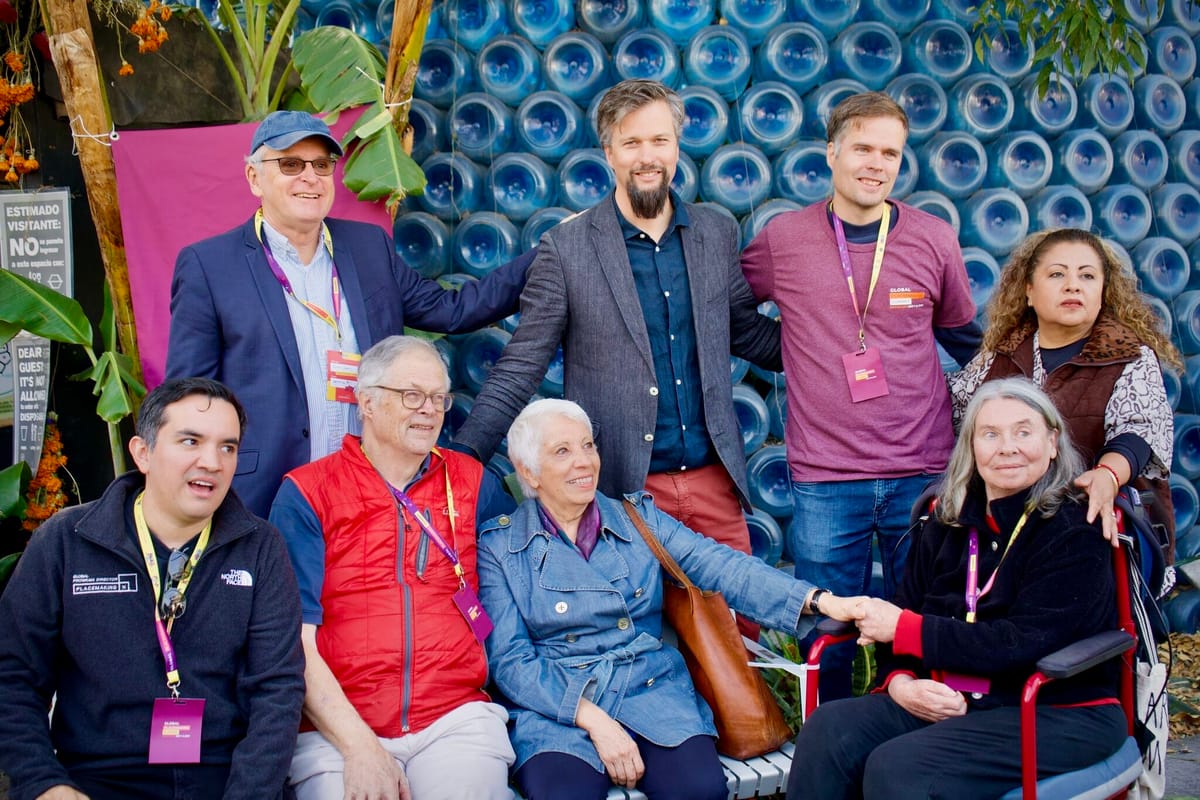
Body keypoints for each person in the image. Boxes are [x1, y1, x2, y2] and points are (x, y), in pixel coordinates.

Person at [454, 81, 783, 631]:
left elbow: (747, 334)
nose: (647, 156)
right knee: (633, 640)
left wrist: (838, 341)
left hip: (712, 481)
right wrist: (463, 460)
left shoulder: (715, 232)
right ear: (608, 153)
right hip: (622, 487)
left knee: (737, 637)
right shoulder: (567, 249)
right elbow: (522, 363)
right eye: (632, 143)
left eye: (659, 140)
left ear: (677, 146)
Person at [476, 398, 863, 800]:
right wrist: (589, 716)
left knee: (698, 790)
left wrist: (819, 601)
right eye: (562, 451)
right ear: (528, 471)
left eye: (588, 445)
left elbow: (721, 565)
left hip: (648, 688)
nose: (584, 462)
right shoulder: (500, 547)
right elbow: (511, 660)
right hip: (556, 704)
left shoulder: (637, 519)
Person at [166, 110, 534, 518]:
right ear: (255, 177)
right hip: (264, 493)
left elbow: (452, 310)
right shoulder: (210, 265)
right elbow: (191, 398)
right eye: (291, 164)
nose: (310, 177)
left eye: (321, 165)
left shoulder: (368, 247)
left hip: (368, 492)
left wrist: (549, 254)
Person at [739, 90, 979, 698]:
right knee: (830, 632)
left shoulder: (933, 238)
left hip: (920, 472)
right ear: (832, 152)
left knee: (923, 621)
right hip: (826, 478)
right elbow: (731, 314)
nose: (876, 163)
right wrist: (794, 351)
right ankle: (831, 734)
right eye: (863, 148)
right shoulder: (783, 239)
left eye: (890, 153)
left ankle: (914, 734)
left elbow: (966, 340)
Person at [786, 378, 1127, 800]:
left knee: (900, 769)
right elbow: (906, 611)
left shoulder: (1075, 526)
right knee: (829, 730)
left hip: (1052, 708)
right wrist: (901, 683)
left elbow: (1021, 642)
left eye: (1023, 432)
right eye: (990, 434)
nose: (1007, 448)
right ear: (971, 447)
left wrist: (905, 629)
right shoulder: (945, 519)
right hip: (952, 697)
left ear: (1053, 443)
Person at [0, 378, 304, 800]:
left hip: (224, 777)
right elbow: (12, 675)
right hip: (97, 779)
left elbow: (277, 690)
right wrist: (44, 783)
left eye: (227, 447)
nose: (212, 462)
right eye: (191, 441)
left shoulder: (261, 547)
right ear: (142, 452)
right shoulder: (67, 540)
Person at [269, 335, 517, 800]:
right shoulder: (307, 493)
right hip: (336, 726)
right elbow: (294, 641)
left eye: (439, 398)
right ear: (366, 402)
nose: (429, 410)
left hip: (454, 716)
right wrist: (360, 748)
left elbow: (522, 589)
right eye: (411, 395)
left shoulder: (472, 482)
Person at [949, 227, 1181, 556]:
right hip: (1005, 534)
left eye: (1087, 276)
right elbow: (958, 420)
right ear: (1029, 291)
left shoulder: (1130, 356)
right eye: (1057, 274)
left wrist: (1107, 476)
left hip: (1092, 534)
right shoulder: (997, 358)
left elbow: (1137, 431)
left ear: (1103, 291)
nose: (1073, 285)